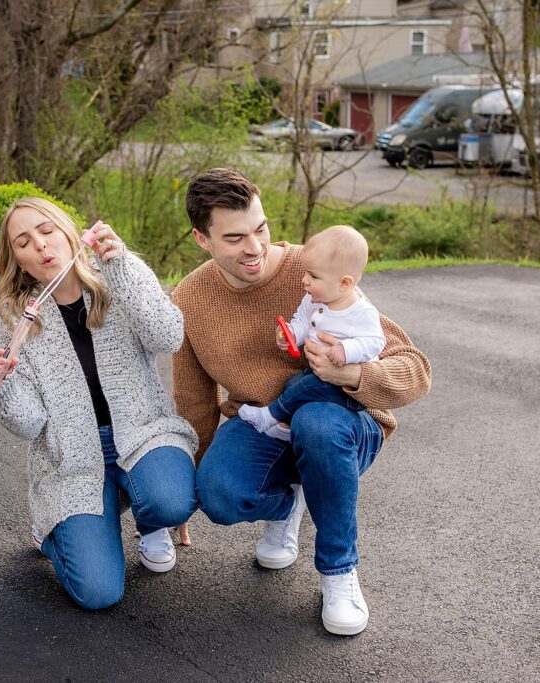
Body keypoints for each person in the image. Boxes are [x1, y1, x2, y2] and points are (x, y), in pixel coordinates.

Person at [171, 169, 431, 636]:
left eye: (261, 229)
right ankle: (286, 502)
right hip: (258, 426)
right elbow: (194, 401)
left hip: (342, 425)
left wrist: (352, 373)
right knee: (220, 495)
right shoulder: (190, 298)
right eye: (235, 237)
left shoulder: (313, 269)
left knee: (316, 421)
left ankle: (338, 573)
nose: (255, 248)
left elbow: (414, 370)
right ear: (201, 238)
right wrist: (187, 489)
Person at [0, 197, 198, 610]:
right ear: (17, 260)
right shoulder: (18, 318)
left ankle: (146, 517)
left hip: (143, 435)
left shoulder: (119, 273)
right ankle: (53, 532)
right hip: (71, 460)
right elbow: (31, 423)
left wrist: (122, 269)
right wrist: (5, 387)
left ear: (69, 232)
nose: (41, 246)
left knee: (170, 500)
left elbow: (167, 337)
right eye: (24, 242)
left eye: (46, 231)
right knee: (99, 593)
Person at [238, 224, 386, 439]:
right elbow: (302, 321)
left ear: (344, 283)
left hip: (348, 390)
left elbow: (375, 341)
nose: (304, 280)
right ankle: (287, 429)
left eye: (314, 276)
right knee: (294, 383)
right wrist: (291, 334)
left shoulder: (361, 312)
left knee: (306, 387)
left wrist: (346, 349)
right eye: (306, 273)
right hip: (319, 373)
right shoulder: (313, 298)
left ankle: (270, 416)